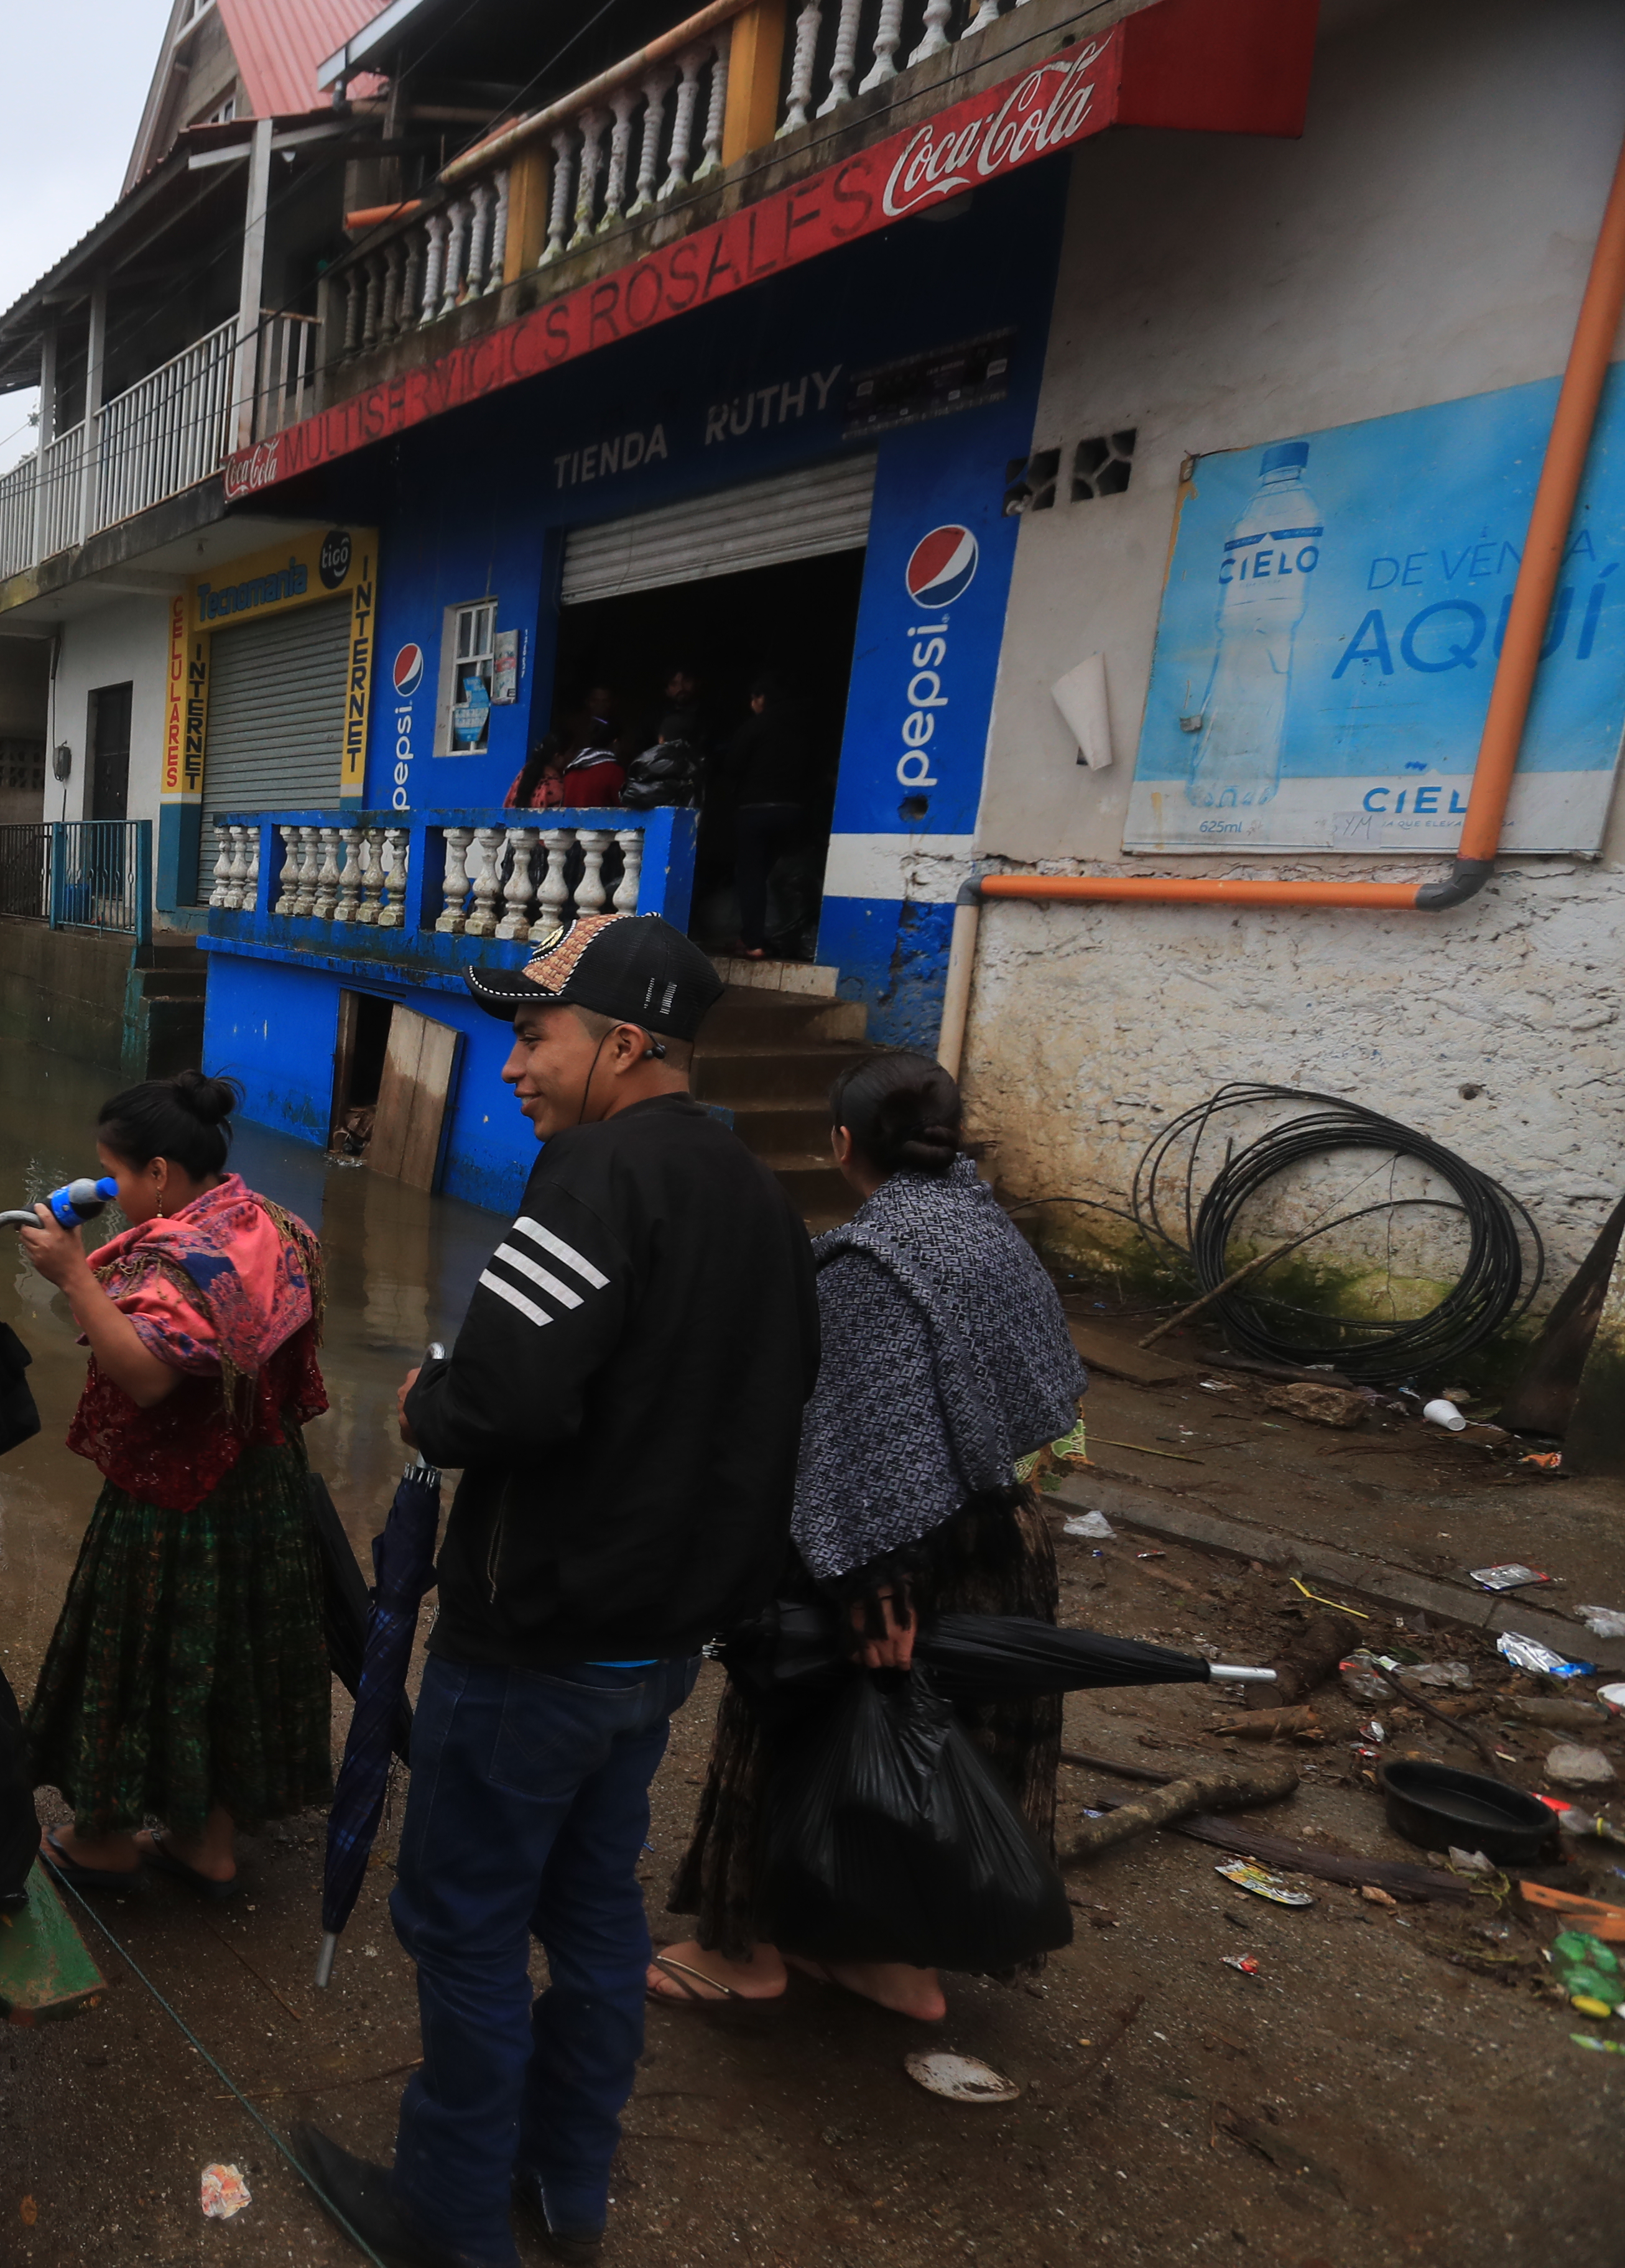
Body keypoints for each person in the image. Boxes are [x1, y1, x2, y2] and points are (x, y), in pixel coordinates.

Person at [297, 913, 817, 2268]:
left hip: (534, 1645)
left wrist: (426, 1404)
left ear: (627, 1045)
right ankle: (565, 2188)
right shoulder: (762, 1198)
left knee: (463, 1926)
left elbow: (509, 1398)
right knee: (592, 1917)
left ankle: (446, 2215)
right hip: (655, 1651)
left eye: (537, 1036)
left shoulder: (592, 1175)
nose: (514, 1066)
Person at [654, 1051, 1085, 2021]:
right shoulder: (989, 1230)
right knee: (931, 1750)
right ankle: (892, 1961)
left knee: (800, 1728)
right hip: (1001, 1538)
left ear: (842, 1144)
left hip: (892, 1559)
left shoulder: (870, 1263)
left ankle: (749, 1952)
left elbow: (858, 1445)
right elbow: (1048, 1386)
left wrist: (872, 1586)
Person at [17, 1071, 331, 1896]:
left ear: (159, 1173)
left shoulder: (177, 1265)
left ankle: (106, 1841)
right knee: (230, 1660)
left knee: (138, 1658)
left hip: (176, 1500)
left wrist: (75, 1276)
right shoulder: (274, 1224)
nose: (109, 1191)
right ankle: (208, 1844)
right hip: (262, 1484)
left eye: (114, 1174)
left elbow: (150, 1379)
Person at [715, 676, 828, 959]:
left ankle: (754, 942)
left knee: (751, 875)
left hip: (755, 811)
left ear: (761, 699)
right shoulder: (803, 729)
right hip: (792, 812)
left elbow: (732, 765)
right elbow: (816, 771)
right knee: (779, 873)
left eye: (754, 698)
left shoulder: (756, 726)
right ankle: (782, 938)